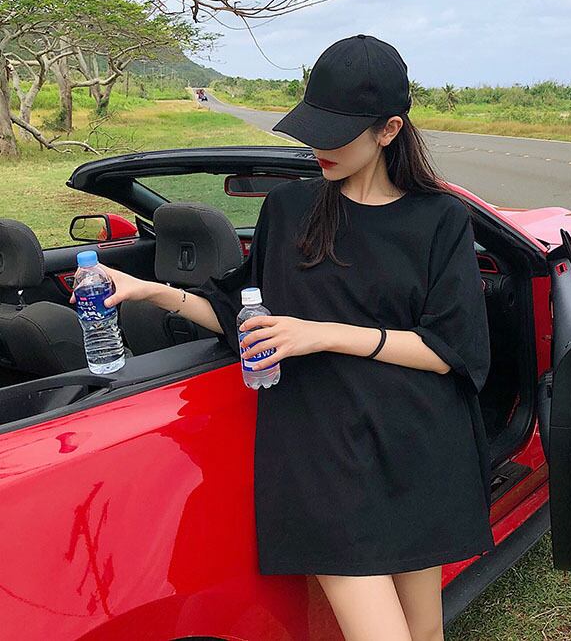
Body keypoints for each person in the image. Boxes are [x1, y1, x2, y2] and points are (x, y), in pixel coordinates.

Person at [76, 34, 495, 641]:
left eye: (336, 133)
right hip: (323, 451)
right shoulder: (290, 208)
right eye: (312, 129)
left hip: (416, 443)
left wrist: (320, 334)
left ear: (389, 130)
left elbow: (449, 351)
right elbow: (238, 311)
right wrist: (149, 290)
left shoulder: (441, 218)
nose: (318, 147)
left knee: (426, 630)